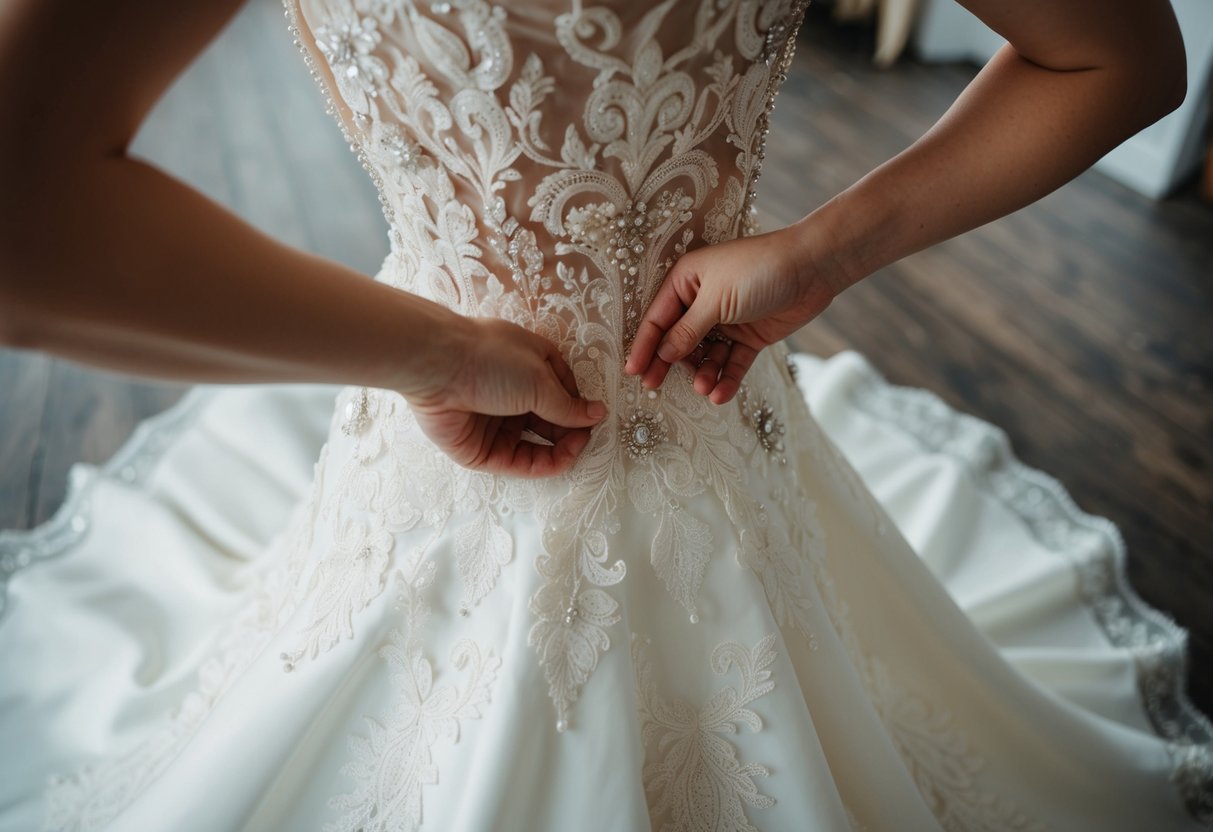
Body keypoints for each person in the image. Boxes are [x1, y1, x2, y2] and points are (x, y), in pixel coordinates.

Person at [0, 0, 1208, 829]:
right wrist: (812, 255)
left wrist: (437, 354)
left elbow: (26, 233)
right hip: (704, 392)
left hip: (515, 413)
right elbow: (1121, 55)